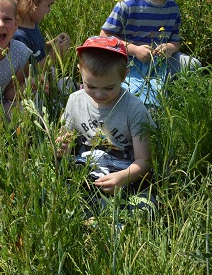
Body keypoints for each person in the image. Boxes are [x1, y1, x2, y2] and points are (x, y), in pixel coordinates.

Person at [56, 36, 155, 216]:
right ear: (80, 72)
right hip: (86, 169)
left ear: (124, 76)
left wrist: (122, 178)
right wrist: (62, 146)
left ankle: (115, 219)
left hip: (125, 173)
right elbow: (65, 144)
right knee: (58, 196)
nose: (99, 94)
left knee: (145, 207)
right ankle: (91, 215)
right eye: (90, 86)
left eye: (109, 88)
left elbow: (145, 162)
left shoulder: (134, 108)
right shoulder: (75, 100)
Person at [101, 0, 200, 105]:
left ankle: (179, 99)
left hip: (159, 61)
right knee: (136, 93)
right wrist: (134, 50)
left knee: (192, 65)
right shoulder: (128, 4)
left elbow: (175, 41)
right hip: (129, 61)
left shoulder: (172, 8)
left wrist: (169, 48)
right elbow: (105, 36)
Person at [7, 0, 70, 71]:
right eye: (48, 5)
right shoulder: (17, 36)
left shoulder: (31, 24)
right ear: (34, 2)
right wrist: (54, 57)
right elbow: (27, 73)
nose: (49, 10)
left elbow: (37, 51)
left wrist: (53, 44)